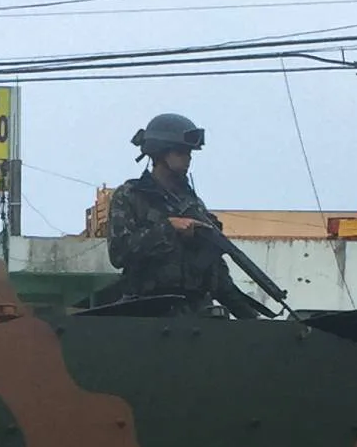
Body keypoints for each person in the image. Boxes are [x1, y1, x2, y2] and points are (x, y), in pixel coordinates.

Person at [104, 112, 262, 318]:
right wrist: (168, 229)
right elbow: (119, 252)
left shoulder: (192, 204)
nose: (188, 158)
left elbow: (215, 270)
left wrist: (249, 315)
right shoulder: (130, 195)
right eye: (180, 152)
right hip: (146, 314)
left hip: (197, 315)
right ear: (160, 153)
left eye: (189, 152)